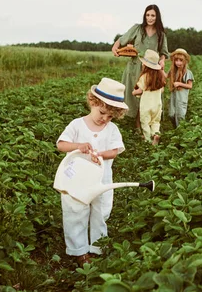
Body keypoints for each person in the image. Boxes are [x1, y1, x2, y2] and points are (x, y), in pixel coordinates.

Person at [56, 77, 127, 267]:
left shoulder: (111, 130)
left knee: (101, 211)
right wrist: (78, 146)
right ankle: (79, 250)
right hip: (78, 180)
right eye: (102, 112)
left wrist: (101, 154)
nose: (104, 118)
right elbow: (61, 144)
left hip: (101, 180)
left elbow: (115, 151)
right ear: (92, 102)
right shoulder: (77, 125)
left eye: (110, 116)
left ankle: (98, 246)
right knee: (75, 211)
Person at [111, 4, 169, 131]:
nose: (150, 18)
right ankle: (135, 126)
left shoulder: (161, 35)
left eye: (153, 15)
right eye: (147, 15)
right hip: (134, 67)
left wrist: (162, 61)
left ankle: (144, 125)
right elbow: (122, 39)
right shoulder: (137, 29)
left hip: (150, 70)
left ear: (157, 17)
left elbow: (164, 52)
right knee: (133, 95)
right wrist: (115, 47)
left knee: (147, 97)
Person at [132, 49, 166, 145]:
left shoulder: (145, 77)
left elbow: (140, 90)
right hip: (157, 105)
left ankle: (148, 140)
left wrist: (134, 92)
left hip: (146, 106)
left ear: (145, 65)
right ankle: (155, 134)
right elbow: (162, 90)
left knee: (145, 122)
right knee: (155, 122)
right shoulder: (160, 76)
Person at [165, 48, 194, 128]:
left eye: (181, 60)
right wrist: (159, 68)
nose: (178, 63)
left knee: (180, 115)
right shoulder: (173, 70)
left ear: (185, 61)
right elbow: (166, 76)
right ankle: (175, 128)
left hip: (181, 98)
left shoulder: (188, 72)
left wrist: (179, 84)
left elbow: (190, 86)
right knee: (171, 114)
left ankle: (180, 131)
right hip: (173, 96)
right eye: (176, 60)